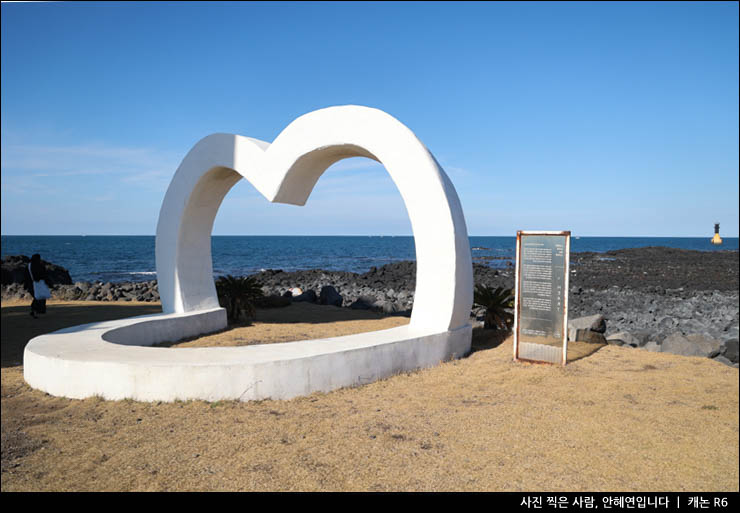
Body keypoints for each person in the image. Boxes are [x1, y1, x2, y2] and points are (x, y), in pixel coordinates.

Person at [24, 254, 51, 318]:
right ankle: (37, 311)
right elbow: (44, 275)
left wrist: (25, 285)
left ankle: (34, 310)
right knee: (40, 297)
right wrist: (49, 283)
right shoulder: (40, 266)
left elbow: (25, 276)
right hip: (39, 284)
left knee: (36, 297)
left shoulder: (28, 266)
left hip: (30, 285)